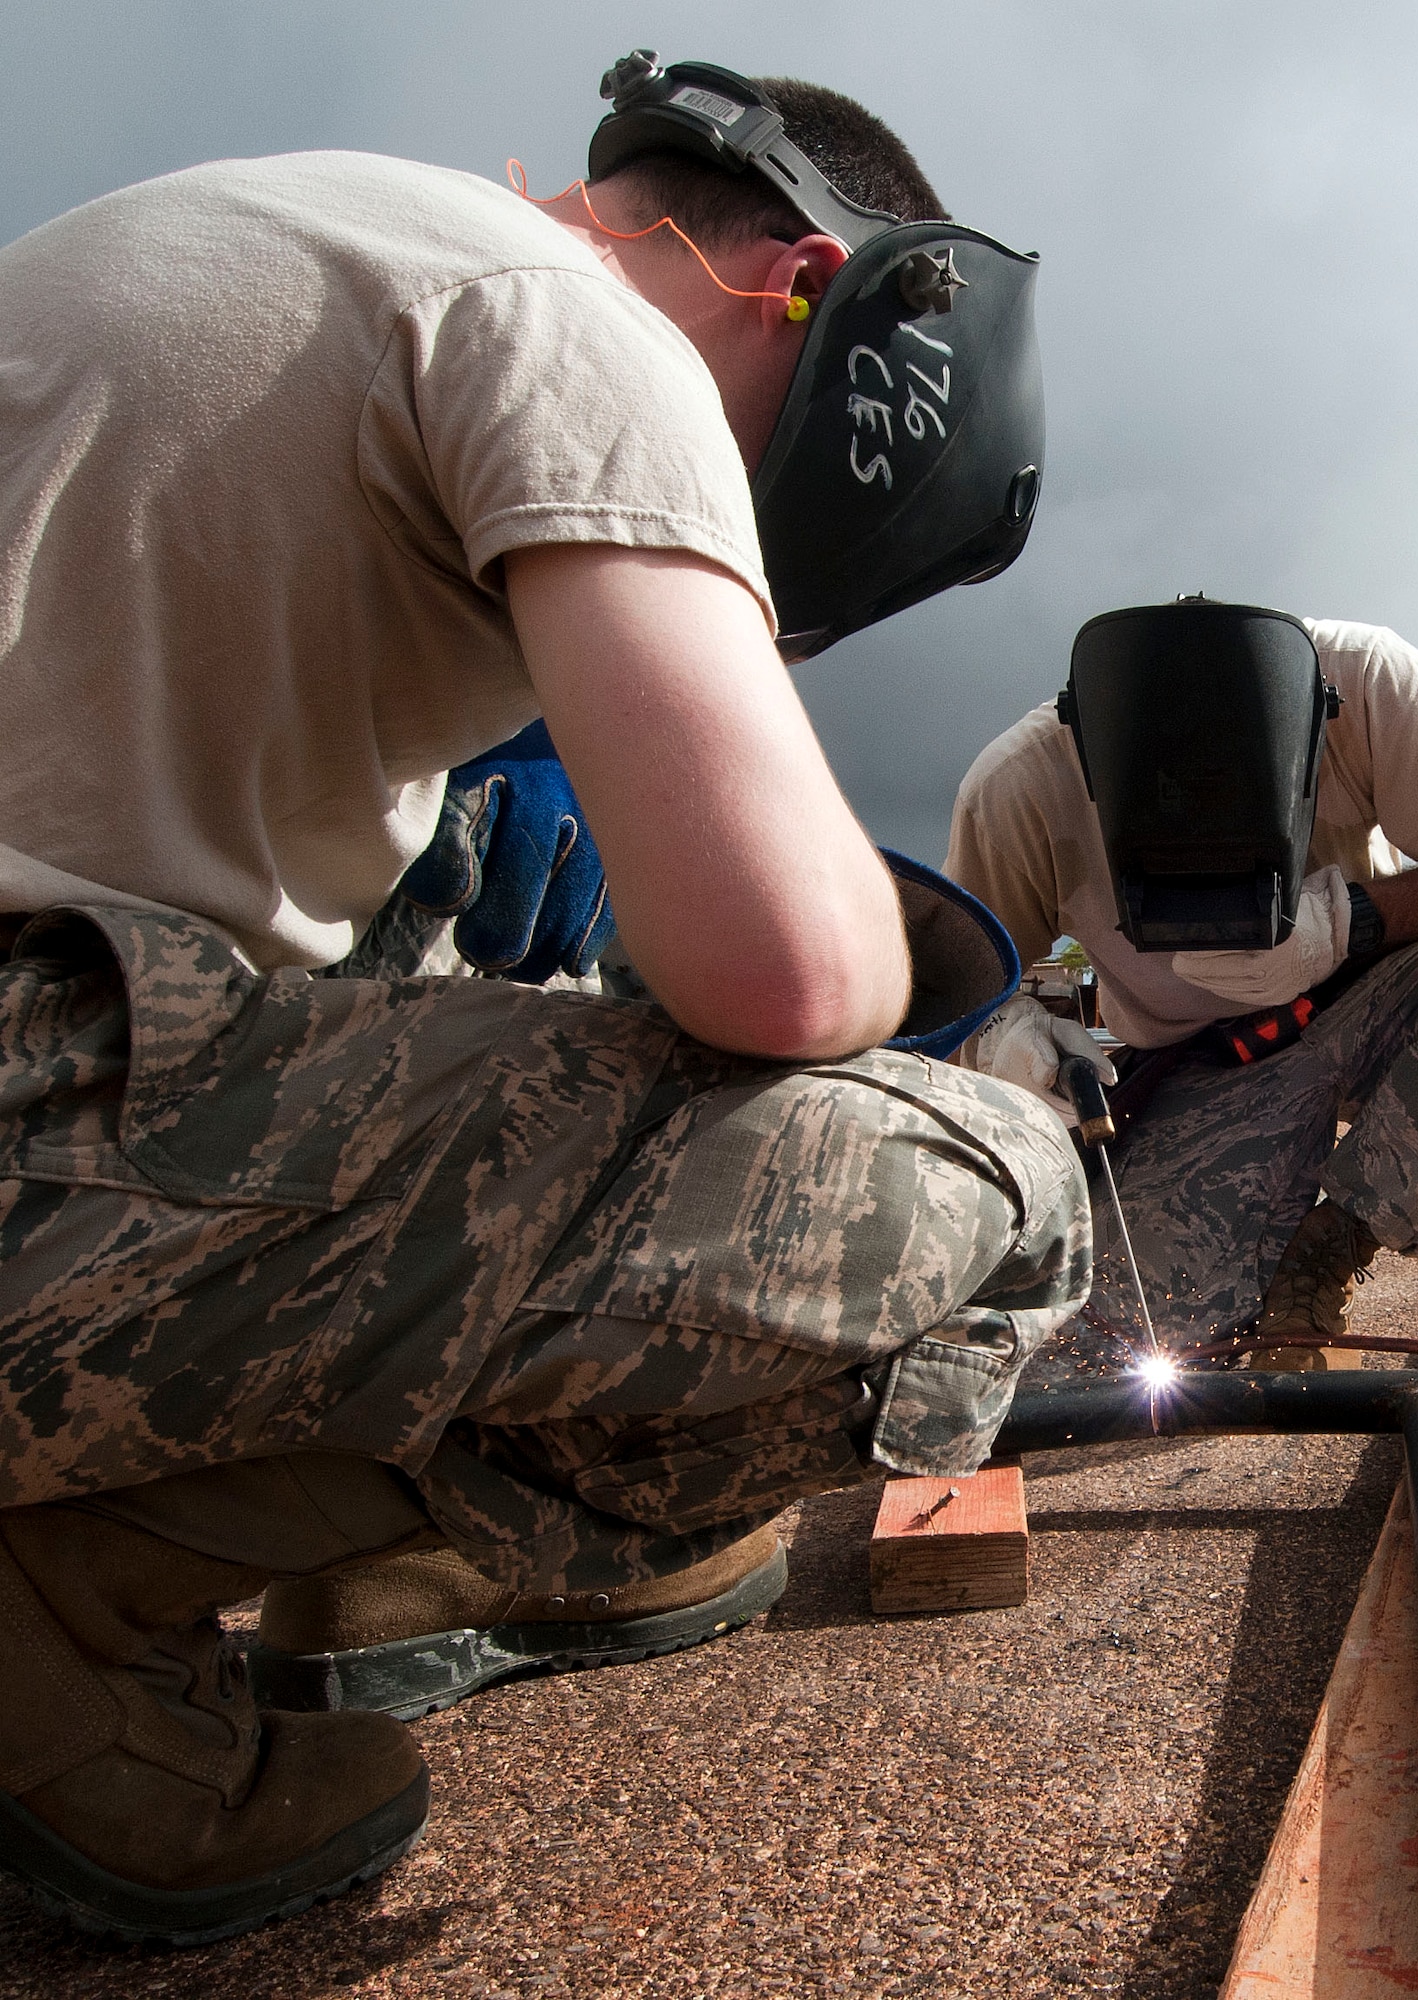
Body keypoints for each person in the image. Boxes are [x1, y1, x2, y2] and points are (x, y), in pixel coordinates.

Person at [0, 55, 1089, 1941]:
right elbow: (793, 968)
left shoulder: (252, 229)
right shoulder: (580, 318)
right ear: (803, 287)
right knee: (979, 1180)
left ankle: (151, 1622)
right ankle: (58, 1613)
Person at [947, 614, 1418, 1363]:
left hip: (1375, 1001)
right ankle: (1243, 1267)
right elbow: (951, 993)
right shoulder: (1019, 784)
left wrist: (1348, 922)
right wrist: (1000, 1034)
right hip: (1204, 1066)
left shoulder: (1363, 682)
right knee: (1120, 1340)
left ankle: (1328, 1244)